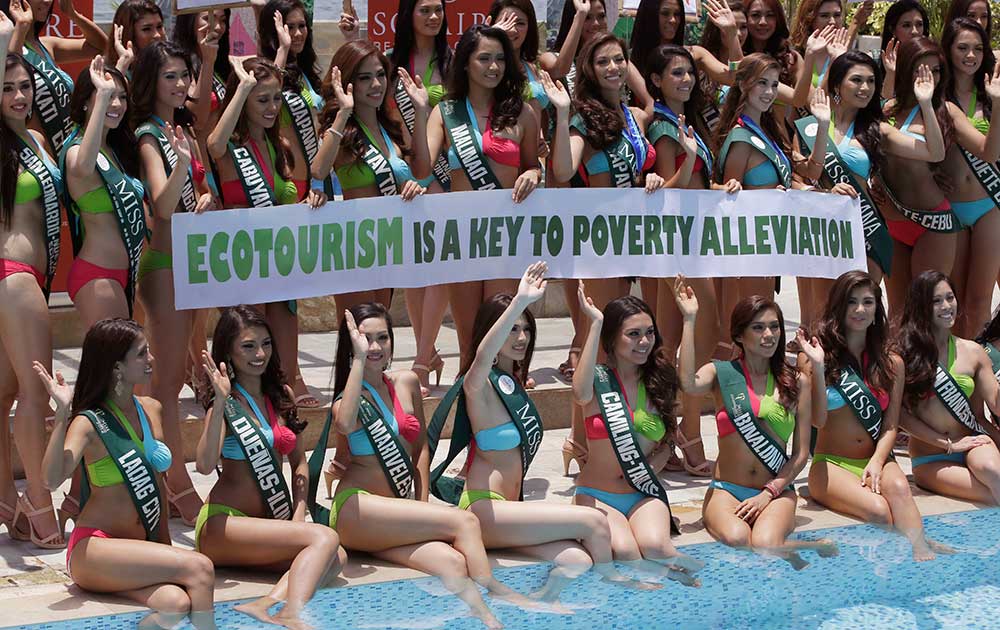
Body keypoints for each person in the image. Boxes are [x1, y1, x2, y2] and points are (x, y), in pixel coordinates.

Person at [427, 263, 657, 602]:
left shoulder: (514, 383)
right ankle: (619, 592)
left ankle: (541, 603)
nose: (521, 337)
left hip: (510, 511)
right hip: (483, 509)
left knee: (577, 558)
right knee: (593, 523)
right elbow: (482, 354)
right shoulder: (479, 383)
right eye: (512, 330)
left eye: (525, 329)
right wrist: (520, 301)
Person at [308, 303, 535, 629]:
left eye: (382, 338)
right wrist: (358, 360)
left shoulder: (407, 382)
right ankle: (498, 596)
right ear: (352, 344)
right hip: (357, 509)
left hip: (394, 516)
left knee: (453, 563)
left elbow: (421, 449)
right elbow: (344, 424)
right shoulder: (350, 398)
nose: (375, 347)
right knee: (465, 522)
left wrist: (422, 502)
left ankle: (479, 619)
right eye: (365, 339)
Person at [34, 319, 217, 629]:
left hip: (138, 549)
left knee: (176, 603)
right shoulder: (89, 423)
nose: (152, 360)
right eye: (142, 354)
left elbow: (157, 488)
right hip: (94, 549)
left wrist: (165, 547)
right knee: (200, 567)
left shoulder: (152, 409)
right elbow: (51, 480)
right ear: (116, 366)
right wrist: (63, 412)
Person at [674, 277, 839, 569]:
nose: (769, 335)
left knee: (765, 544)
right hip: (726, 490)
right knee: (738, 539)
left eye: (774, 327)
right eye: (758, 327)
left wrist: (769, 493)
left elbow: (801, 453)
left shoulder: (795, 381)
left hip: (775, 491)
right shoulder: (721, 373)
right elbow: (687, 383)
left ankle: (804, 547)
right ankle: (800, 549)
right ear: (739, 335)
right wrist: (689, 320)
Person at [196, 306, 343, 627]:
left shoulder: (281, 394)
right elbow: (205, 465)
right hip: (224, 524)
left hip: (267, 522)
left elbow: (300, 463)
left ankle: (267, 603)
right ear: (228, 352)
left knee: (335, 556)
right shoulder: (227, 401)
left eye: (266, 343)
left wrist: (298, 513)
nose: (260, 353)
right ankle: (292, 612)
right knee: (323, 540)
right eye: (248, 346)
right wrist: (219, 403)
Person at [208, 56, 326, 419]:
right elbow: (213, 145)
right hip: (244, 265)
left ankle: (284, 435)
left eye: (276, 98)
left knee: (285, 365)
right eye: (262, 99)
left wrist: (313, 197)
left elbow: (291, 194)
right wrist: (242, 87)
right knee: (247, 360)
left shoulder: (282, 146)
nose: (273, 107)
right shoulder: (230, 148)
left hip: (279, 265)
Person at [414, 24, 543, 360]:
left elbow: (533, 164)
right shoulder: (447, 113)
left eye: (500, 58)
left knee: (501, 328)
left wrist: (532, 173)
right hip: (464, 235)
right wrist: (420, 112)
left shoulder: (523, 113)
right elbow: (423, 169)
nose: (494, 66)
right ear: (466, 63)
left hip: (506, 232)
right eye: (484, 58)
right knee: (469, 337)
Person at [643, 43, 742, 477]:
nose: (685, 79)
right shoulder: (664, 128)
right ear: (656, 81)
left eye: (688, 72)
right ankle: (688, 428)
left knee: (665, 342)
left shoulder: (685, 122)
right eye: (675, 73)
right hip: (676, 239)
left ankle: (663, 431)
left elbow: (694, 183)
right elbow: (671, 187)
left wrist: (717, 186)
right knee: (704, 330)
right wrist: (691, 159)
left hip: (692, 236)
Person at [133, 41, 217, 527]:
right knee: (163, 380)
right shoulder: (148, 135)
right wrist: (184, 167)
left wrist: (203, 196)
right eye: (171, 76)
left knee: (173, 376)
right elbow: (162, 205)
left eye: (184, 74)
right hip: (162, 262)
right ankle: (175, 479)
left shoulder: (181, 128)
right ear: (152, 82)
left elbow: (195, 192)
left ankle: (168, 476)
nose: (182, 84)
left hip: (191, 260)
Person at [809, 271, 948, 561]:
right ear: (839, 307)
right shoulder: (817, 355)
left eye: (868, 302)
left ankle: (921, 555)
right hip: (831, 464)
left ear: (877, 310)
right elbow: (817, 420)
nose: (860, 310)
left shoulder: (891, 362)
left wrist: (876, 461)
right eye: (852, 302)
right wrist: (818, 369)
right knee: (878, 511)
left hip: (877, 457)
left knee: (899, 488)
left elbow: (891, 425)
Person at [571, 283, 703, 585]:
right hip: (598, 496)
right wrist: (595, 324)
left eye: (649, 333)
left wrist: (690, 320)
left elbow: (668, 444)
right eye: (633, 334)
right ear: (612, 338)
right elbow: (579, 393)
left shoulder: (659, 381)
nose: (644, 341)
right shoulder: (598, 381)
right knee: (626, 553)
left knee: (658, 548)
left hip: (642, 493)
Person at [312, 40, 424, 366]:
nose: (376, 84)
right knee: (358, 335)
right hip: (355, 248)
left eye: (380, 75)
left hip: (387, 245)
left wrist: (413, 187)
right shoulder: (343, 132)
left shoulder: (388, 127)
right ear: (347, 82)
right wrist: (344, 111)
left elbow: (418, 172)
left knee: (379, 334)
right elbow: (319, 169)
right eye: (364, 77)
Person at [0, 13, 64, 548]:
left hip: (27, 281)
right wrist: (8, 38)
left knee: (6, 395)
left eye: (25, 86)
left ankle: (7, 502)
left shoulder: (38, 137)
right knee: (35, 396)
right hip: (14, 278)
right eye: (7, 87)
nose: (20, 95)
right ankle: (41, 503)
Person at [880, 38, 986, 317]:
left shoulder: (945, 110)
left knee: (928, 310)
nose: (928, 77)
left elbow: (941, 154)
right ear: (905, 69)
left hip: (932, 223)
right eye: (919, 69)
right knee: (898, 313)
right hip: (892, 220)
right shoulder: (887, 109)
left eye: (936, 70)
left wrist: (926, 103)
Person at [714, 53, 830, 310]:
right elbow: (727, 200)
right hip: (748, 250)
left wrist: (823, 125)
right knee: (750, 323)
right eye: (762, 83)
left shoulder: (770, 131)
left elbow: (812, 170)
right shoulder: (741, 138)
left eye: (775, 84)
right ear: (744, 85)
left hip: (769, 244)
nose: (769, 92)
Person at [257, 0, 328, 409]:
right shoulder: (259, 69)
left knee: (288, 292)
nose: (299, 33)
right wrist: (280, 51)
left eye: (303, 26)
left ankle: (290, 373)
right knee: (269, 290)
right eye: (291, 27)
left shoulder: (309, 76)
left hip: (310, 186)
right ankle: (272, 377)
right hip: (275, 184)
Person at [897, 270, 1000, 505]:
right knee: (991, 498)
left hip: (973, 443)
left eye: (950, 298)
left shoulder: (973, 352)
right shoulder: (903, 355)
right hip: (930, 456)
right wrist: (949, 444)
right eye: (936, 300)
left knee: (995, 474)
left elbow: (996, 404)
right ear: (921, 306)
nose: (946, 306)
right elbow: (899, 416)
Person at [61, 57, 145, 326]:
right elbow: (83, 168)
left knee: (121, 364)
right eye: (107, 96)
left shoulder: (114, 151)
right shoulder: (77, 151)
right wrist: (105, 92)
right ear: (86, 102)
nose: (117, 104)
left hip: (123, 273)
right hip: (97, 275)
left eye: (121, 97)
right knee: (115, 363)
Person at [939, 19, 1000, 338]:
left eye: (978, 48)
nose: (971, 55)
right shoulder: (940, 100)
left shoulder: (992, 94)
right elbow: (986, 151)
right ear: (947, 50)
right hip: (954, 207)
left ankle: (976, 373)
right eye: (962, 48)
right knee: (956, 301)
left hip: (990, 204)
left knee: (980, 300)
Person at [3, 0, 107, 154]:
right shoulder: (5, 49)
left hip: (66, 153)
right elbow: (8, 71)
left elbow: (100, 47)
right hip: (35, 157)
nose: (47, 1)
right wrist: (21, 26)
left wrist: (72, 14)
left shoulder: (46, 46)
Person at [877, 0, 930, 101]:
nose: (914, 31)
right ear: (893, 30)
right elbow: (883, 106)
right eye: (906, 25)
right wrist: (891, 74)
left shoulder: (933, 59)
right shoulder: (876, 59)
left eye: (919, 24)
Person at [104, 0, 165, 74]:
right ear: (128, 34)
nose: (157, 35)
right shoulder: (105, 75)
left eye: (159, 27)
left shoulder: (172, 65)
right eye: (146, 29)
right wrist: (124, 62)